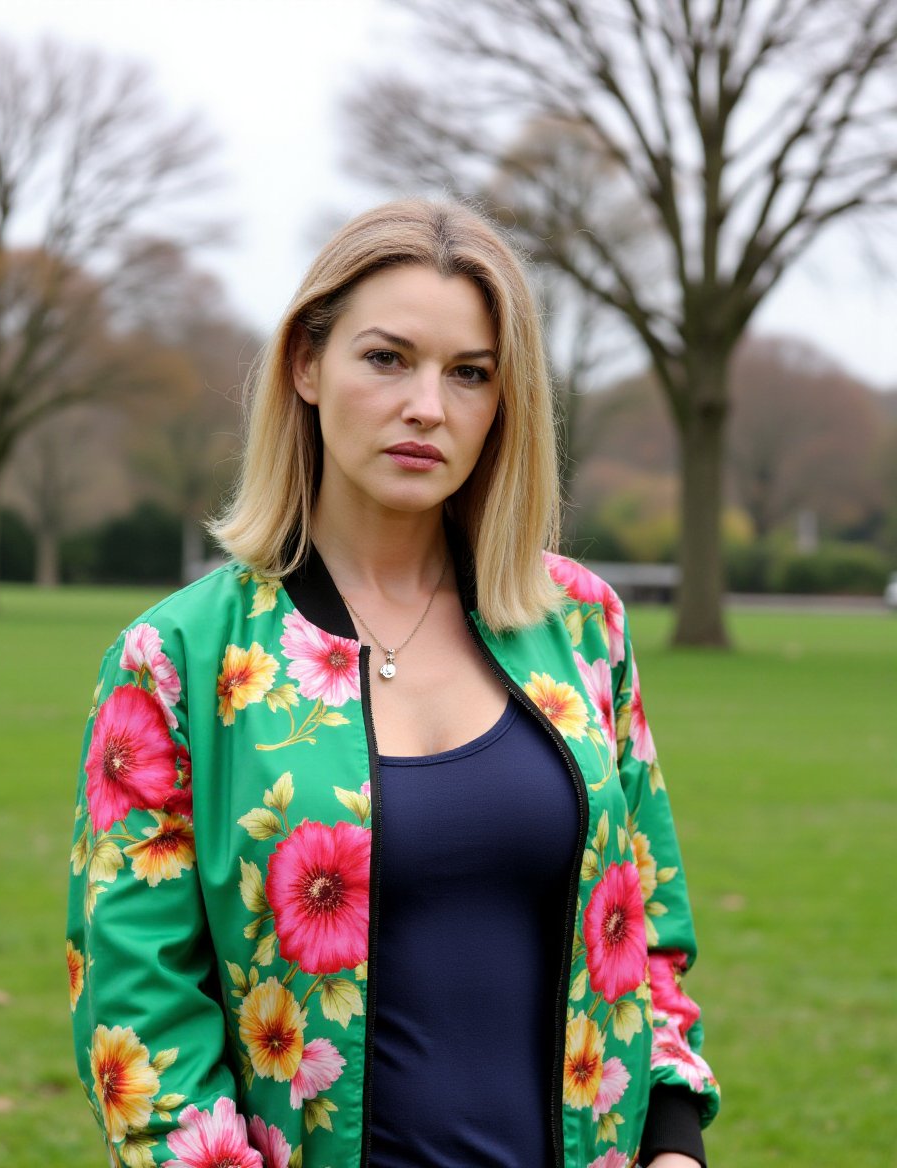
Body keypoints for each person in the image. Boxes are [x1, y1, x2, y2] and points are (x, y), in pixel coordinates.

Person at [67, 198, 719, 1168]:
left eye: (470, 374)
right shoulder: (178, 660)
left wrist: (672, 1143)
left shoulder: (582, 624)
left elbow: (645, 927)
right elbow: (137, 1010)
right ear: (306, 366)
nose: (428, 405)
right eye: (387, 358)